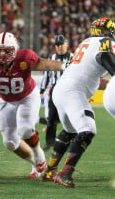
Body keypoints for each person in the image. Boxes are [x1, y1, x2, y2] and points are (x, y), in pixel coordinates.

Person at [0, 32, 65, 177]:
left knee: (25, 129)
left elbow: (45, 64)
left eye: (7, 50)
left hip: (27, 97)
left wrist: (66, 65)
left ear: (15, 50)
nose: (3, 54)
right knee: (10, 142)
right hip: (7, 101)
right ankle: (35, 166)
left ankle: (39, 155)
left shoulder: (24, 58)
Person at [40, 17, 114, 188]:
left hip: (62, 89)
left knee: (69, 131)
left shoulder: (86, 42)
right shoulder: (105, 43)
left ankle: (49, 171)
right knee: (88, 129)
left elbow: (90, 74)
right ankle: (65, 172)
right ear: (104, 31)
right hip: (73, 91)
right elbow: (104, 56)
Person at [39, 35, 73, 151]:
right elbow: (46, 75)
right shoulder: (51, 57)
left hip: (69, 90)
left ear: (67, 44)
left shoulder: (73, 57)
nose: (59, 47)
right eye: (57, 45)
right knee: (51, 119)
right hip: (55, 90)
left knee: (70, 117)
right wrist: (42, 90)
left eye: (61, 44)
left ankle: (71, 143)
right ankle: (50, 142)